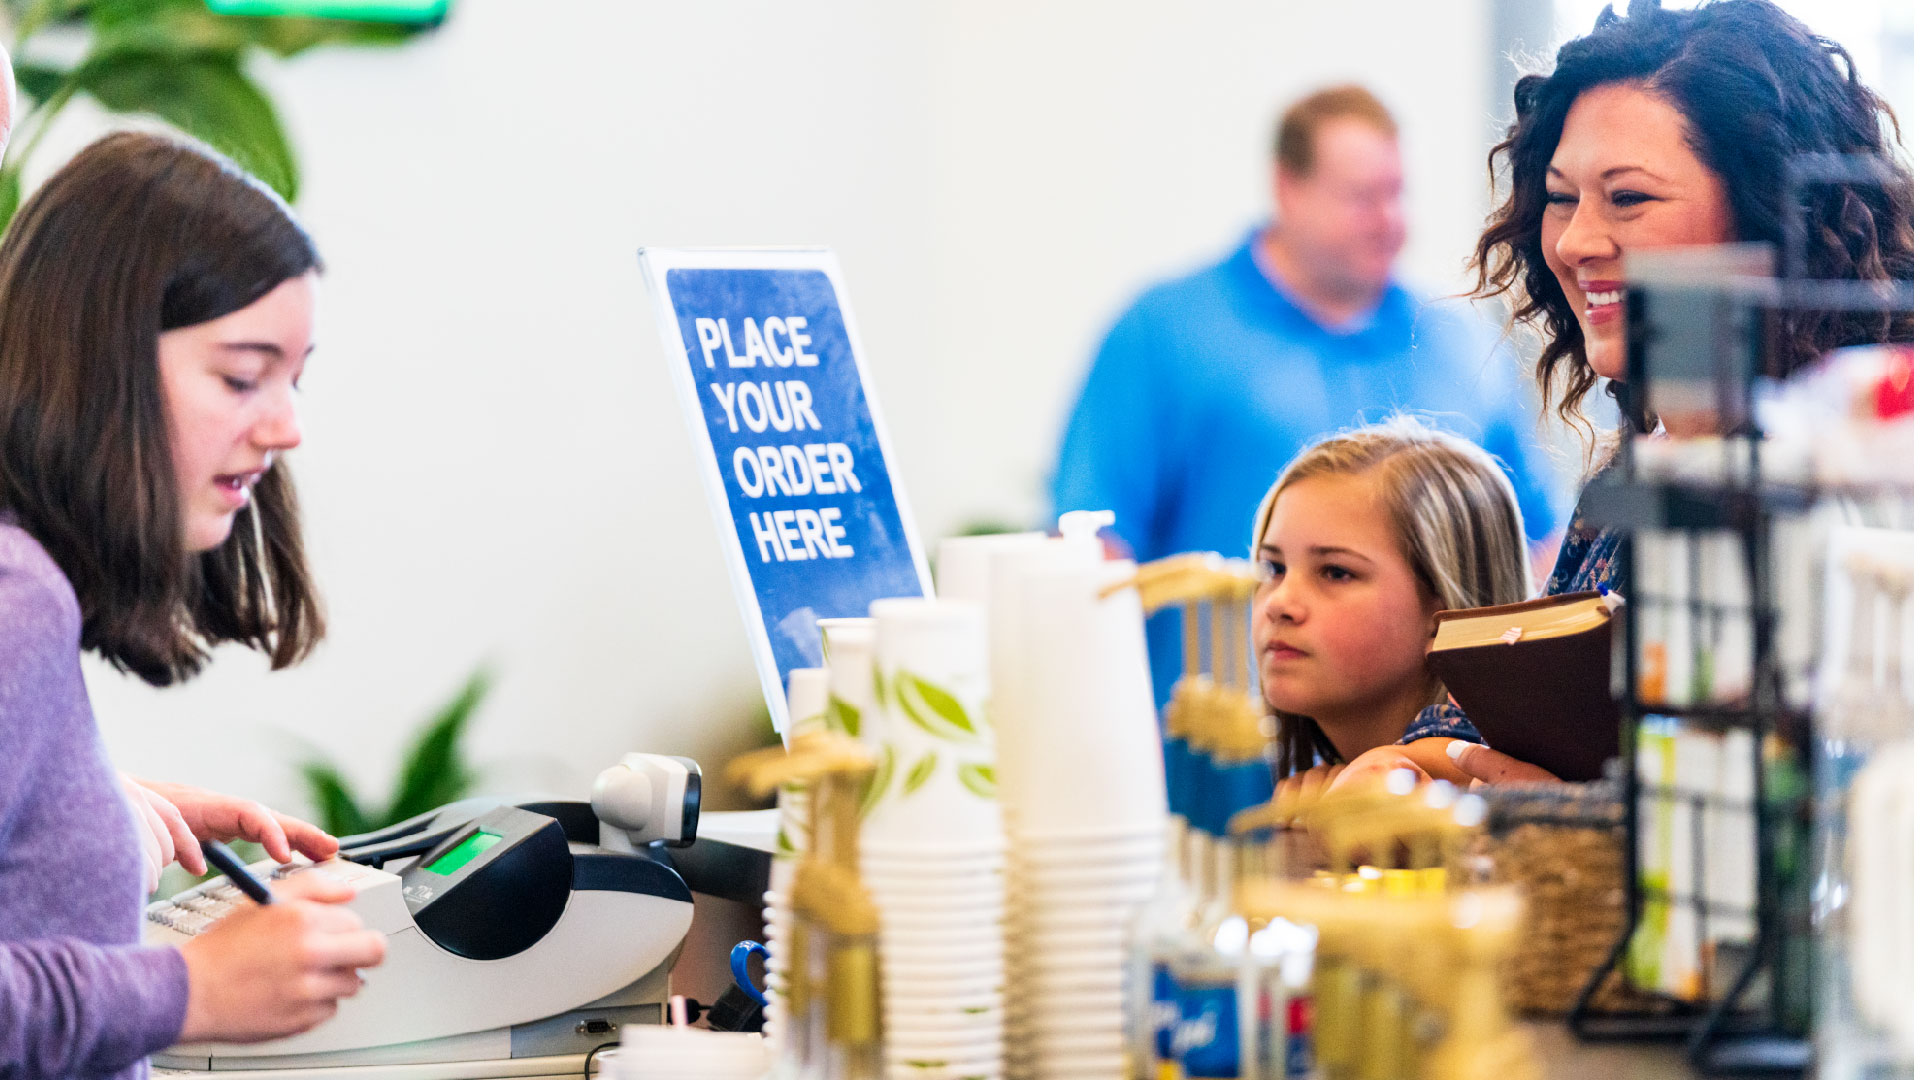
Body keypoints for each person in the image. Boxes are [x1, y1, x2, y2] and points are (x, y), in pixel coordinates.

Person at [1443, 0, 1912, 786]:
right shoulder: (1628, 490)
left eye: (1628, 198)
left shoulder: (1866, 486)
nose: (1576, 240)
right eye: (1562, 198)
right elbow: (1489, 724)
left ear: (1770, 217)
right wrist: (1439, 758)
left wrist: (1561, 804)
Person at [0, 131, 387, 1080]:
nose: (286, 425)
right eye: (242, 377)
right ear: (104, 364)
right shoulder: (19, 599)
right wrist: (188, 989)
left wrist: (77, 805)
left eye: (294, 379)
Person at [1053, 84, 1562, 706]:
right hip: (1217, 744)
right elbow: (1092, 541)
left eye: (1396, 194)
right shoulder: (1167, 332)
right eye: (1359, 197)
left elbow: (1538, 542)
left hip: (1427, 760)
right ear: (1286, 189)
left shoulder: (1458, 343)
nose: (1388, 220)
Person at [1248, 417, 1533, 806]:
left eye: (1335, 572)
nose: (1279, 603)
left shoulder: (1451, 787)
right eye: (1273, 568)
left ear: (1445, 615)